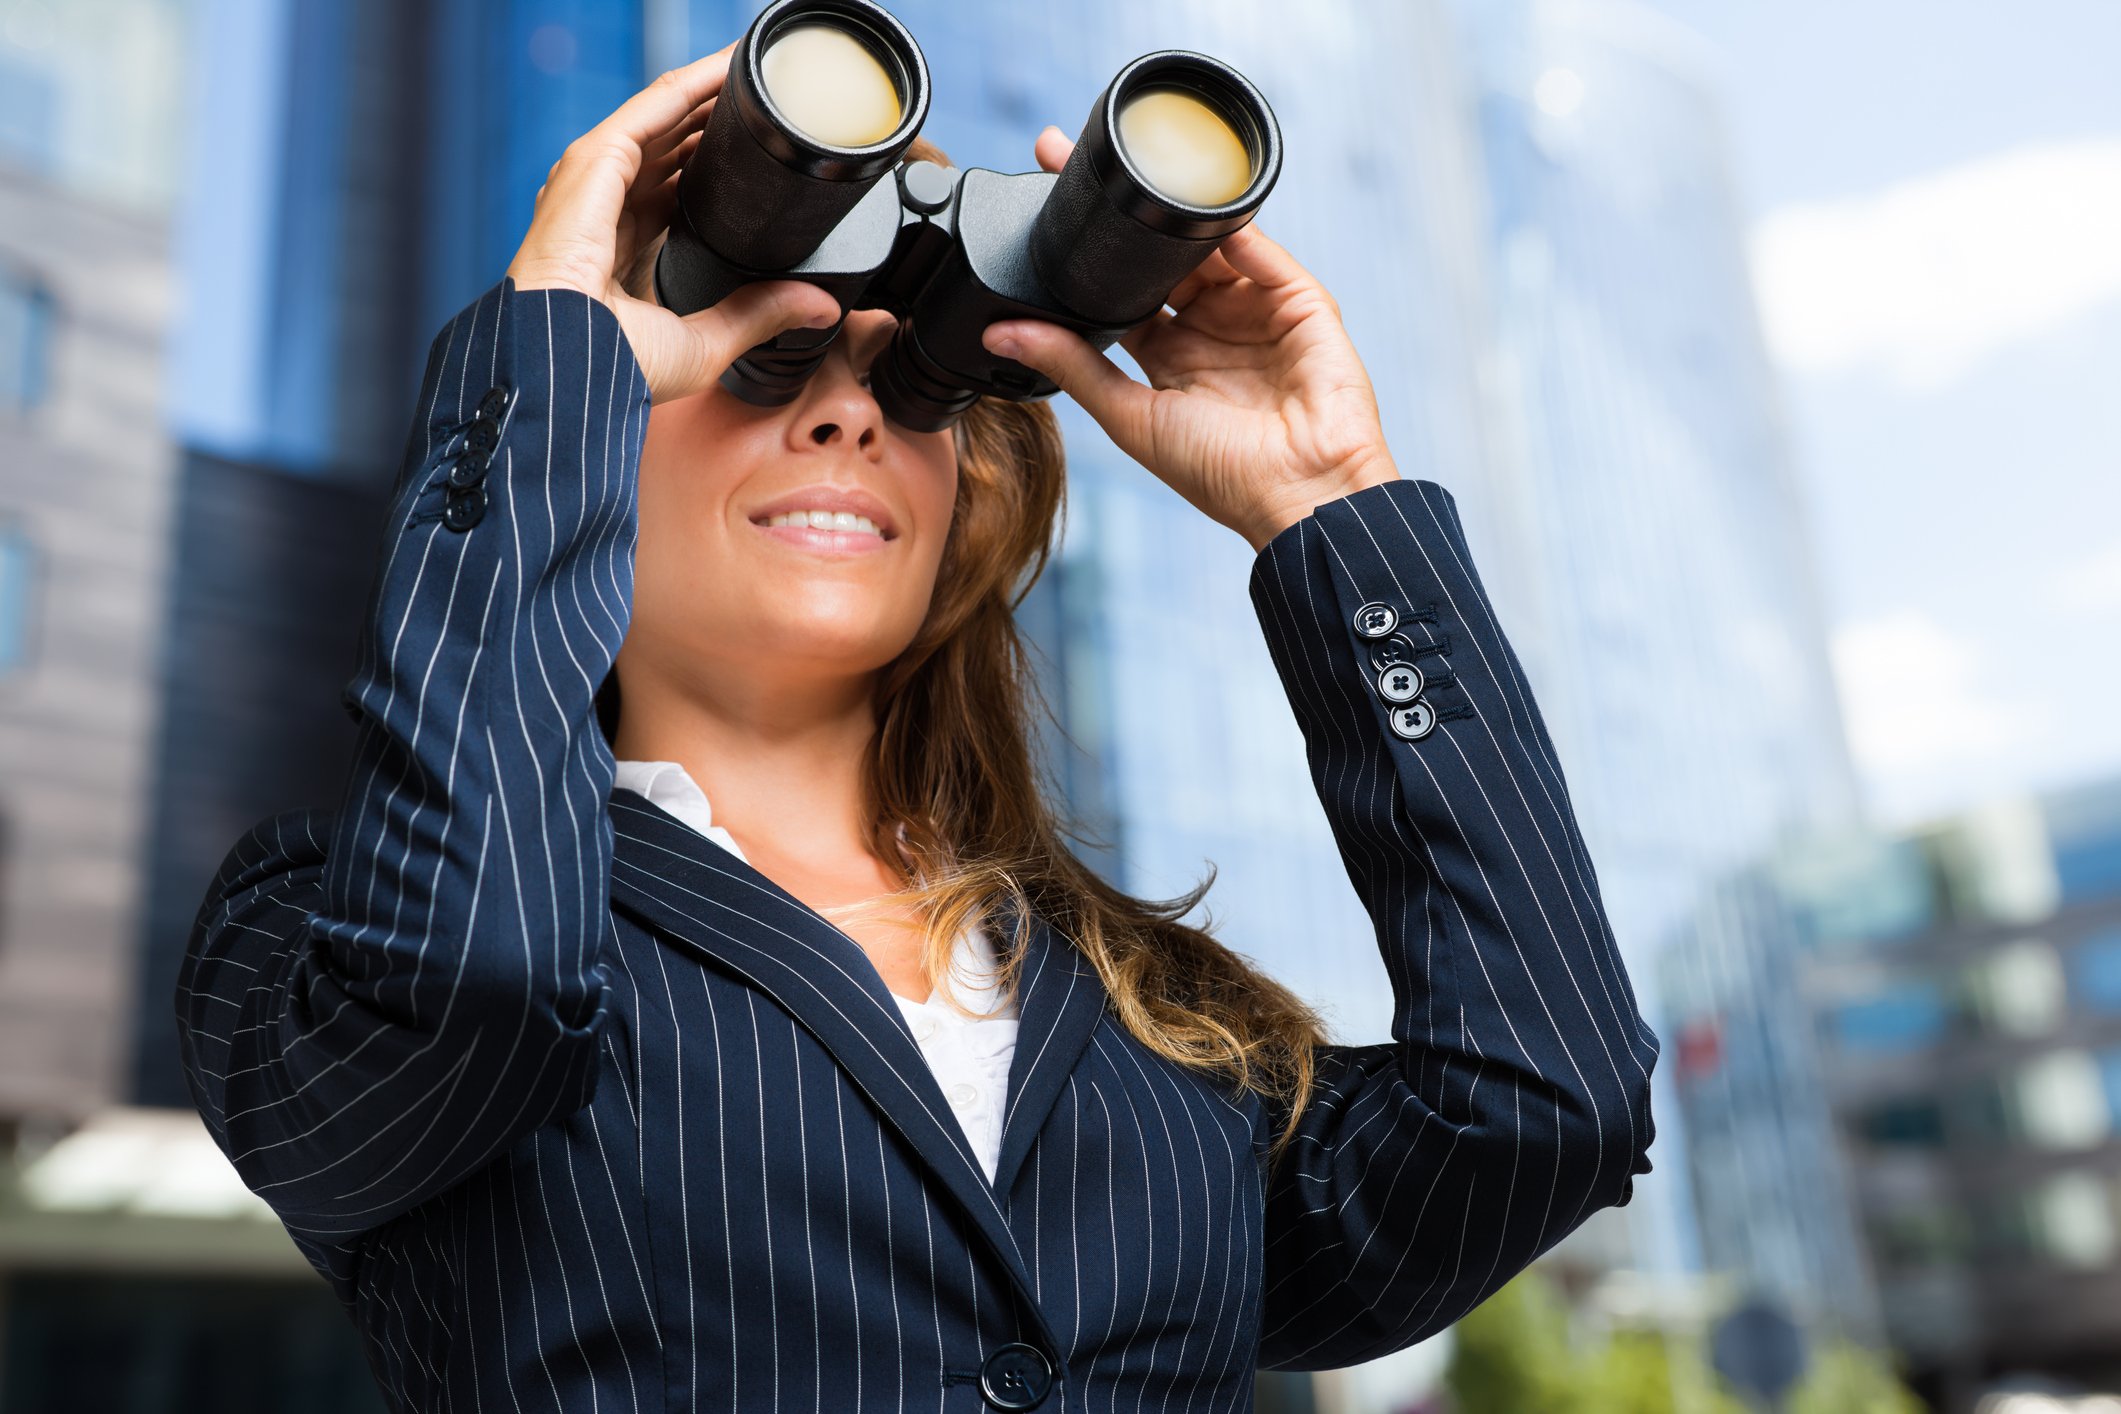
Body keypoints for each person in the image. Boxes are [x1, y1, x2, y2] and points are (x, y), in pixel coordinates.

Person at [174, 37, 1659, 1414]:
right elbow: (469, 982)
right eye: (756, 353)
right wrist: (549, 350)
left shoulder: (1162, 1032)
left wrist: (1326, 502)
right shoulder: (313, 936)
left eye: (913, 381)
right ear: (592, 426)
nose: (850, 416)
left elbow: (1543, 1103)